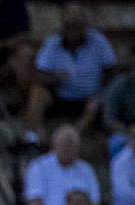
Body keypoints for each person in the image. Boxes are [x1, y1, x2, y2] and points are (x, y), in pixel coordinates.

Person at [25, 4, 116, 138]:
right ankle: (32, 137)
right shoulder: (52, 43)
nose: (73, 31)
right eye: (69, 27)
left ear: (84, 27)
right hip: (61, 96)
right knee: (38, 92)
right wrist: (54, 78)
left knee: (94, 104)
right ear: (63, 26)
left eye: (77, 27)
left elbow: (111, 69)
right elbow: (38, 74)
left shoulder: (99, 42)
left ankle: (73, 138)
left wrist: (100, 90)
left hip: (88, 98)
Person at [23, 125, 100, 205]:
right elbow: (34, 203)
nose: (67, 149)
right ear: (54, 145)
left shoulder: (86, 170)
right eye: (64, 145)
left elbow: (94, 204)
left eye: (72, 145)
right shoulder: (38, 166)